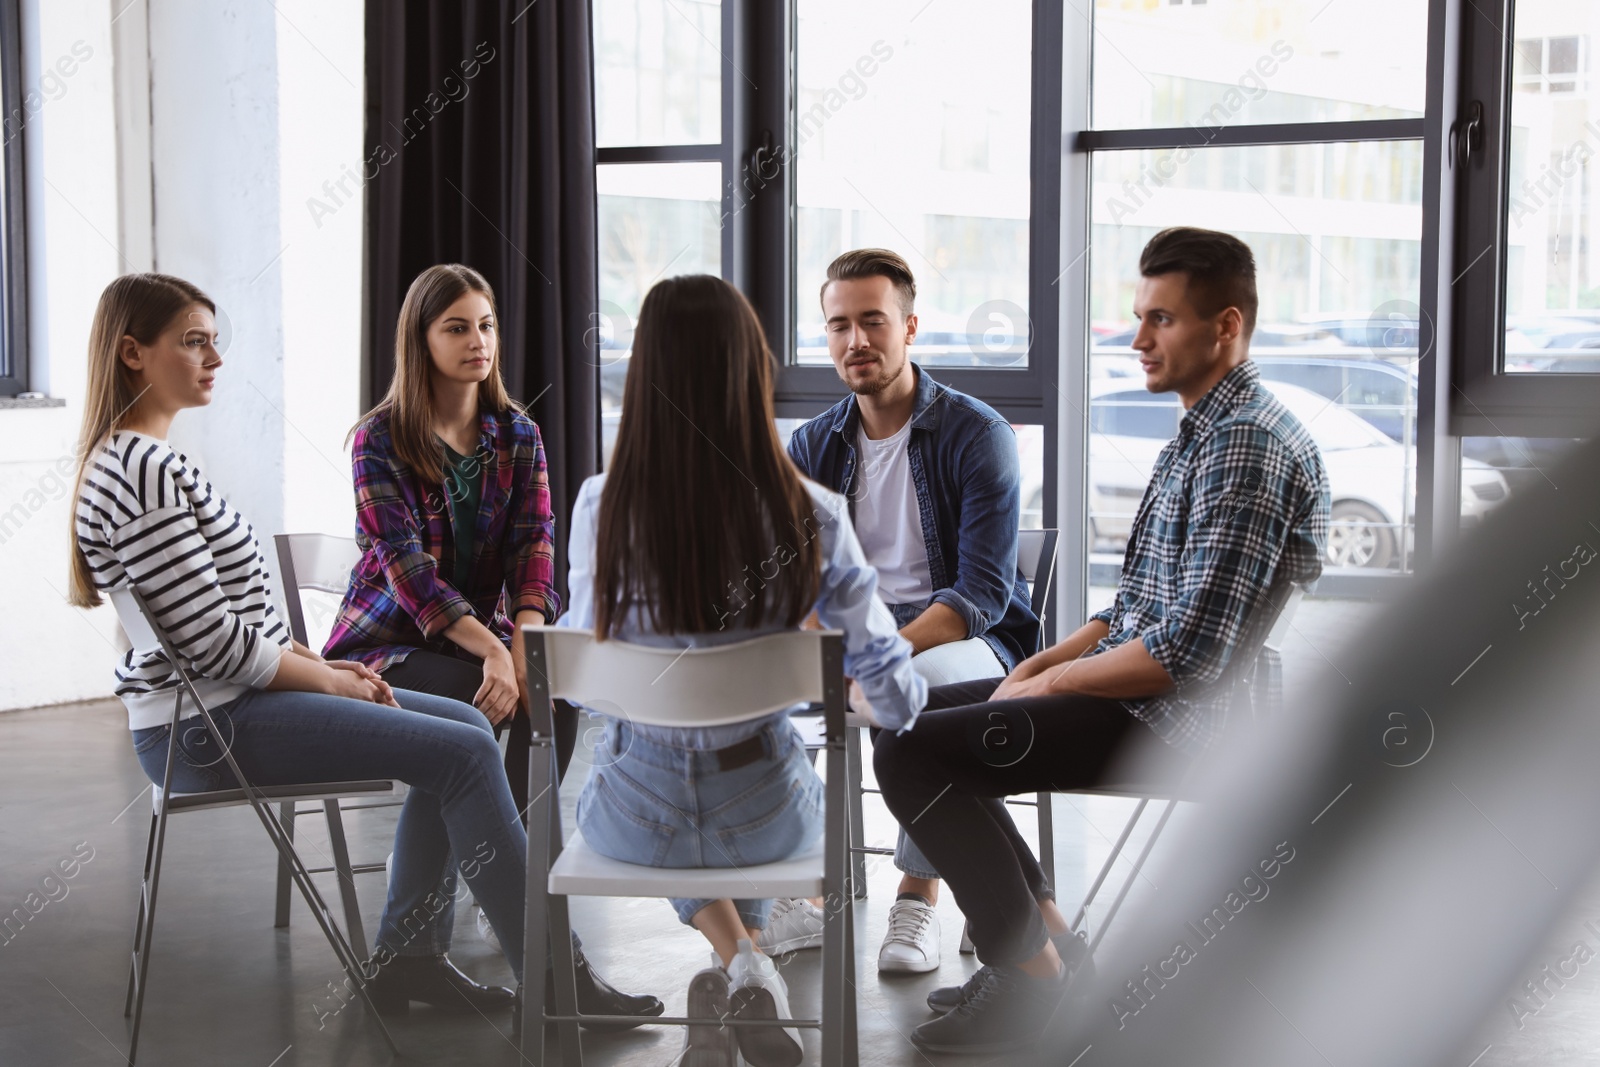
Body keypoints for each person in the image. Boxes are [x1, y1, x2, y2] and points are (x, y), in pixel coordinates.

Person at [873, 227, 1331, 1054]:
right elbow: (1136, 609)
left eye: (1160, 319)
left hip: (1182, 720)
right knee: (910, 722)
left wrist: (1048, 688)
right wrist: (1041, 662)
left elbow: (1185, 655)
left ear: (1224, 326)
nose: (1138, 338)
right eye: (1138, 316)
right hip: (1144, 694)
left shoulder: (1247, 444)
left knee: (916, 754)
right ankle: (1050, 950)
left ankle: (1035, 980)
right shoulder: (1203, 430)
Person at [69, 272, 527, 1017]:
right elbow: (210, 645)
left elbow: (218, 622)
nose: (214, 358)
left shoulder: (142, 461)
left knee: (469, 724)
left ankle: (413, 961)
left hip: (230, 704)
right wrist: (325, 683)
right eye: (193, 342)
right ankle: (552, 978)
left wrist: (315, 660)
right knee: (468, 750)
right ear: (133, 353)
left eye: (215, 341)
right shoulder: (141, 470)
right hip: (212, 726)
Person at [561, 274, 926, 1067]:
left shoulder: (599, 504)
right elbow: (895, 696)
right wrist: (868, 688)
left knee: (648, 776)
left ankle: (738, 965)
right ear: (750, 369)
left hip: (633, 820)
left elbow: (579, 671)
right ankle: (749, 963)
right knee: (764, 783)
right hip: (769, 813)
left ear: (645, 373)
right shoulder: (814, 512)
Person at [321, 263, 660, 1027]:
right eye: (457, 327)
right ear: (421, 338)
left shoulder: (517, 434)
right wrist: (496, 654)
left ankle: (412, 954)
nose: (478, 342)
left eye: (486, 325)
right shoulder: (378, 440)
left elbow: (534, 555)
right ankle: (551, 966)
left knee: (557, 704)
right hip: (388, 646)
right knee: (467, 722)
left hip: (484, 641)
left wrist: (526, 645)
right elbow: (411, 577)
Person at [784, 248, 1040, 974]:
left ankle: (920, 891)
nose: (855, 340)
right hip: (862, 629)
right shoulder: (813, 443)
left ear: (910, 326)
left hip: (966, 633)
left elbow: (980, 595)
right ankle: (795, 892)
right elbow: (802, 581)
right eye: (839, 325)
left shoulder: (975, 433)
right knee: (759, 692)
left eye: (873, 320)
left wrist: (877, 648)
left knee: (918, 700)